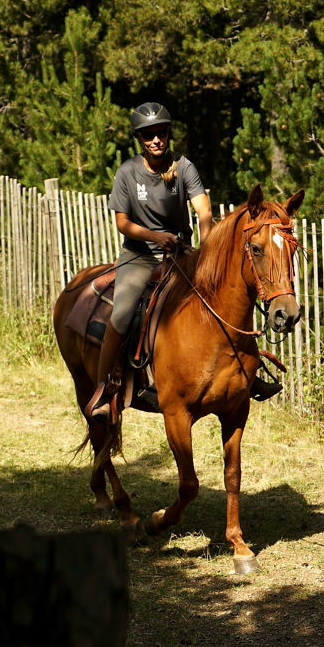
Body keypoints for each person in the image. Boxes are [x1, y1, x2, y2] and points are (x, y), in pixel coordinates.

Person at [88, 102, 214, 419]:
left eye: (161, 133)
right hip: (139, 254)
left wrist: (207, 251)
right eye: (149, 135)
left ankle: (243, 373)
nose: (156, 139)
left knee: (219, 297)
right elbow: (122, 222)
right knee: (122, 314)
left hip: (181, 254)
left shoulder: (184, 167)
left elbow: (204, 211)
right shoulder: (128, 172)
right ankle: (104, 390)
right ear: (139, 139)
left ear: (168, 133)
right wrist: (155, 237)